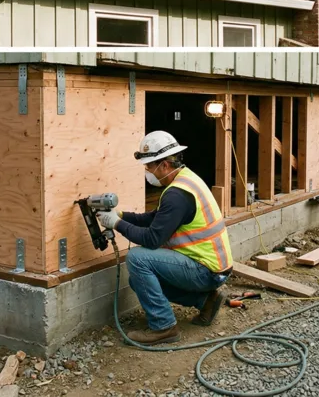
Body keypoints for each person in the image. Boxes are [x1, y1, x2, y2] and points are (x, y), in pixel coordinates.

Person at [97, 131, 234, 345]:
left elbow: (152, 239)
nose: (147, 172)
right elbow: (155, 218)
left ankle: (163, 327)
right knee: (137, 280)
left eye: (149, 166)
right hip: (213, 267)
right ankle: (206, 300)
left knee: (137, 258)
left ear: (164, 165)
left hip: (206, 271)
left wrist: (116, 224)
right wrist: (122, 215)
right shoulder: (185, 180)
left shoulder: (176, 194)